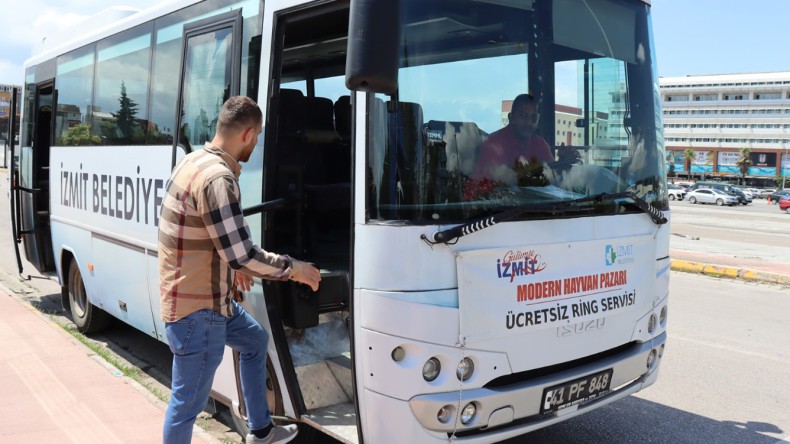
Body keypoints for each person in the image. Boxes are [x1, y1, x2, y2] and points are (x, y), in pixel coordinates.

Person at [158, 96, 321, 444]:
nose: (257, 142)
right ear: (247, 134)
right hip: (198, 314)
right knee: (185, 407)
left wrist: (234, 268)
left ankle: (260, 430)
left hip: (203, 303)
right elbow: (242, 253)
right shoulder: (219, 179)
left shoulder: (193, 162)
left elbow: (207, 239)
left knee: (254, 339)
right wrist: (295, 269)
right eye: (258, 135)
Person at [472, 93, 554, 184]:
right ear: (511, 117)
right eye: (523, 115)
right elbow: (482, 188)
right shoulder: (493, 145)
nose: (529, 122)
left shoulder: (540, 144)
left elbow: (553, 180)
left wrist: (564, 161)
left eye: (534, 118)